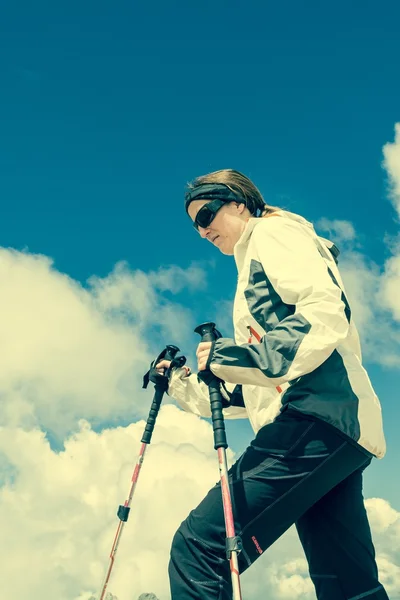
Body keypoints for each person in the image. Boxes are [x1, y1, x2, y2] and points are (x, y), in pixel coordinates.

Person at [156, 169, 389, 600]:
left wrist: (231, 356)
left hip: (318, 415)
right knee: (344, 580)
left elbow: (325, 312)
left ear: (239, 203)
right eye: (195, 225)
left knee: (200, 548)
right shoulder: (253, 262)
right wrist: (180, 384)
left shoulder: (272, 234)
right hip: (336, 429)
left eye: (207, 214)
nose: (203, 229)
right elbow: (261, 387)